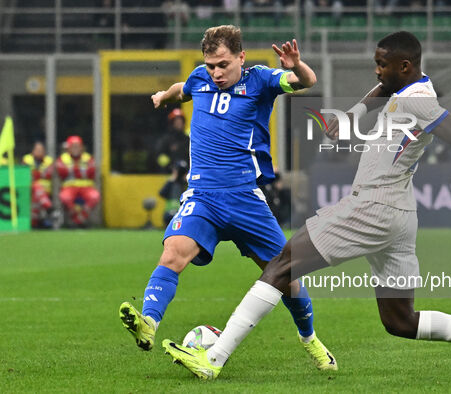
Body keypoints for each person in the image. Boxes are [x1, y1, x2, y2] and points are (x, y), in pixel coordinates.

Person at [161, 31, 451, 380]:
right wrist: (355, 113)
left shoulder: (419, 101)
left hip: (372, 207)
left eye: (381, 63)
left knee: (280, 266)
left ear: (403, 66)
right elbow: (385, 88)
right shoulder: (412, 84)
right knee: (400, 321)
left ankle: (213, 358)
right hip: (400, 216)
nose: (376, 69)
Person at [119, 25, 337, 372]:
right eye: (210, 65)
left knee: (287, 278)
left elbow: (305, 81)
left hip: (245, 198)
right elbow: (183, 90)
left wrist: (296, 65)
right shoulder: (199, 79)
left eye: (223, 64)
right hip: (203, 196)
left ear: (241, 57)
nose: (216, 73)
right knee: (173, 253)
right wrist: (163, 95)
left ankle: (309, 338)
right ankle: (149, 322)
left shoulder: (261, 80)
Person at [56, 136, 100, 227]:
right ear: (68, 148)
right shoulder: (63, 158)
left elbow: (91, 173)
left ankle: (78, 220)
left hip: (86, 188)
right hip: (69, 187)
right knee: (64, 197)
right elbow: (62, 173)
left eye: (77, 146)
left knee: (95, 196)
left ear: (81, 147)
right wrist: (79, 170)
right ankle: (77, 219)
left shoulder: (88, 158)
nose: (75, 148)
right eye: (73, 146)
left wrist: (74, 170)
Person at [22, 142, 53, 228]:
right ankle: (48, 207)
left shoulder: (49, 161)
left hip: (45, 190)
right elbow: (25, 174)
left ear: (44, 151)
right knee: (36, 187)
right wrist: (39, 174)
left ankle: (36, 222)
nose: (39, 152)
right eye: (37, 150)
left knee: (36, 199)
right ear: (33, 151)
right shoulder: (26, 159)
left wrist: (35, 174)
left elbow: (48, 174)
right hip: (30, 188)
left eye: (41, 150)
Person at [155, 108, 190, 173]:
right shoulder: (166, 140)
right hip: (170, 174)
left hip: (186, 175)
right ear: (172, 123)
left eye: (180, 121)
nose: (179, 123)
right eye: (176, 121)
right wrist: (170, 167)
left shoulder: (187, 139)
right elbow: (159, 156)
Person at [159, 160, 189, 226]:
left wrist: (187, 181)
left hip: (183, 213)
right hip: (169, 213)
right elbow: (161, 193)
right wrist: (172, 179)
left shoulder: (186, 184)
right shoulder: (171, 183)